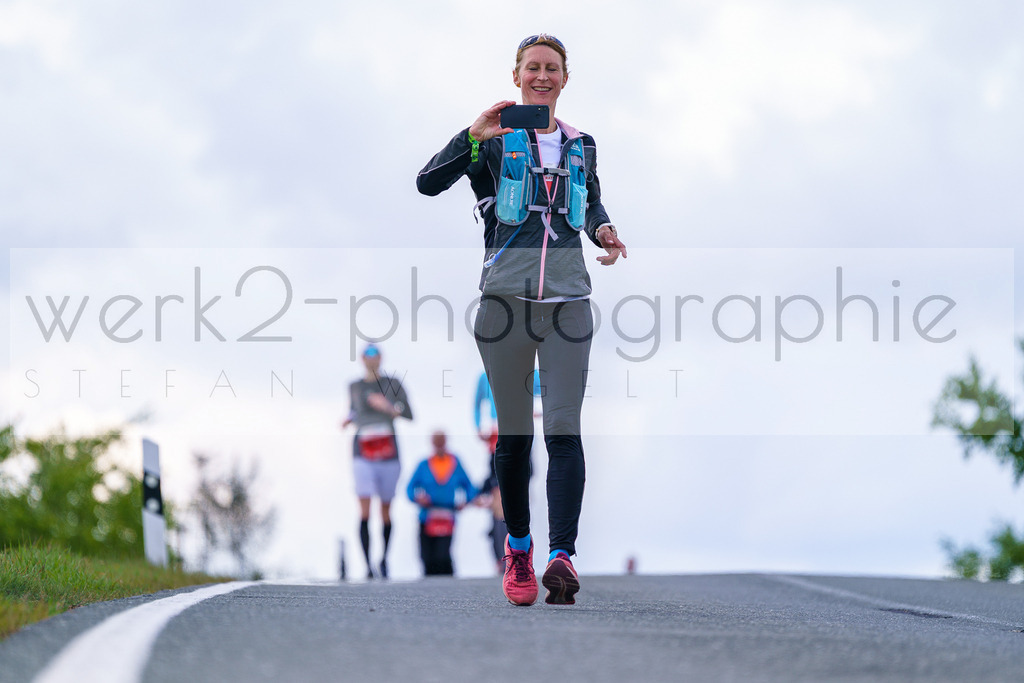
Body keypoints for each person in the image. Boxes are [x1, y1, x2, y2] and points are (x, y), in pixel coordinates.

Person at [417, 34, 627, 606]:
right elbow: (427, 182)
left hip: (568, 303)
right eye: (532, 67)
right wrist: (471, 135)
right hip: (504, 305)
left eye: (551, 68)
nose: (541, 76)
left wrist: (604, 230)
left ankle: (562, 556)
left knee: (563, 429)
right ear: (516, 76)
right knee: (514, 436)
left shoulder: (582, 145)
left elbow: (591, 202)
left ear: (564, 78)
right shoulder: (492, 140)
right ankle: (518, 548)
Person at [340, 343, 413, 579]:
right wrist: (348, 419)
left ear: (381, 358)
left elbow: (409, 414)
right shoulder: (354, 386)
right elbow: (354, 411)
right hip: (362, 452)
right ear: (361, 358)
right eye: (367, 354)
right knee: (364, 508)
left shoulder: (393, 383)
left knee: (385, 509)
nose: (371, 358)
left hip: (388, 453)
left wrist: (389, 407)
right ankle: (367, 565)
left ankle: (384, 559)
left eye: (375, 354)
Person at [406, 430, 480, 576]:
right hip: (427, 516)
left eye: (441, 440)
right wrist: (417, 498)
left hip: (447, 515)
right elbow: (409, 488)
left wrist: (466, 501)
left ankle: (448, 583)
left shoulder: (455, 463)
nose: (439, 444)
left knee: (443, 555)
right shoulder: (423, 465)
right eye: (436, 441)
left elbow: (470, 487)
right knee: (427, 557)